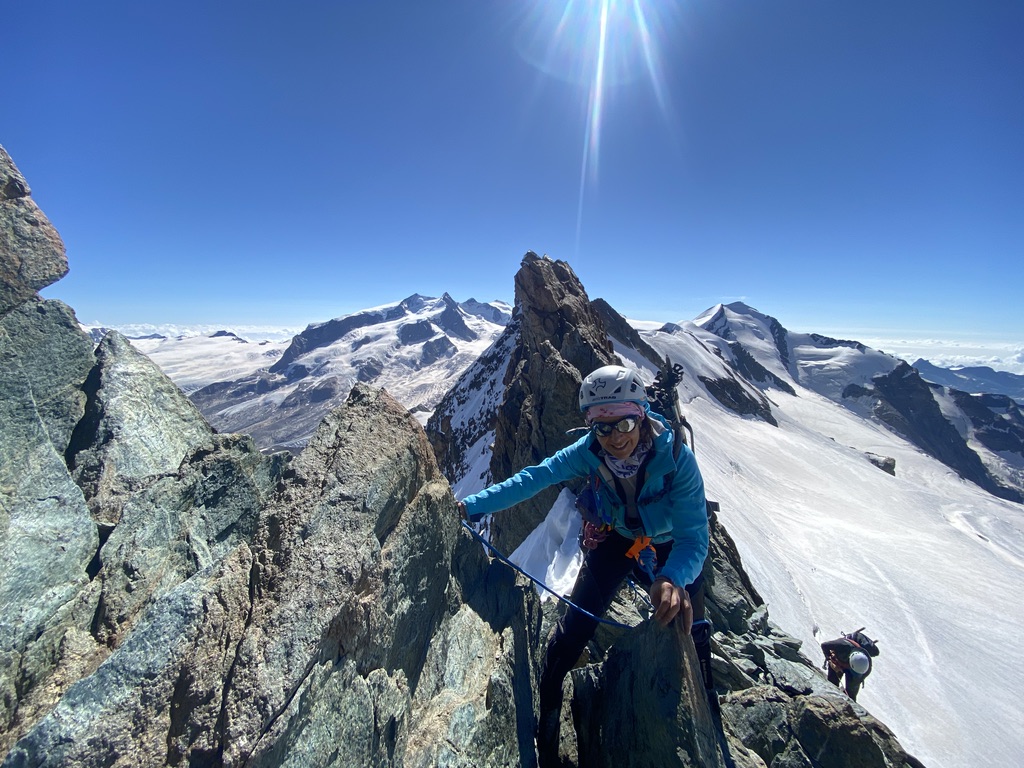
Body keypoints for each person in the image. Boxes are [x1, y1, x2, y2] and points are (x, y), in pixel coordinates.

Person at [457, 364, 710, 762]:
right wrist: (471, 507)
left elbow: (694, 537)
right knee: (574, 629)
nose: (615, 438)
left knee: (688, 623)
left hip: (671, 545)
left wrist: (672, 577)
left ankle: (704, 695)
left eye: (625, 424)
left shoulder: (677, 458)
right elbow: (534, 478)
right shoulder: (588, 452)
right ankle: (548, 711)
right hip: (619, 538)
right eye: (602, 428)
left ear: (641, 415)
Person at [821, 630, 877, 701]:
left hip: (849, 665)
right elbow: (824, 645)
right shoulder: (843, 645)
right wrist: (830, 659)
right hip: (838, 660)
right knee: (832, 683)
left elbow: (856, 681)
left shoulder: (865, 668)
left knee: (851, 694)